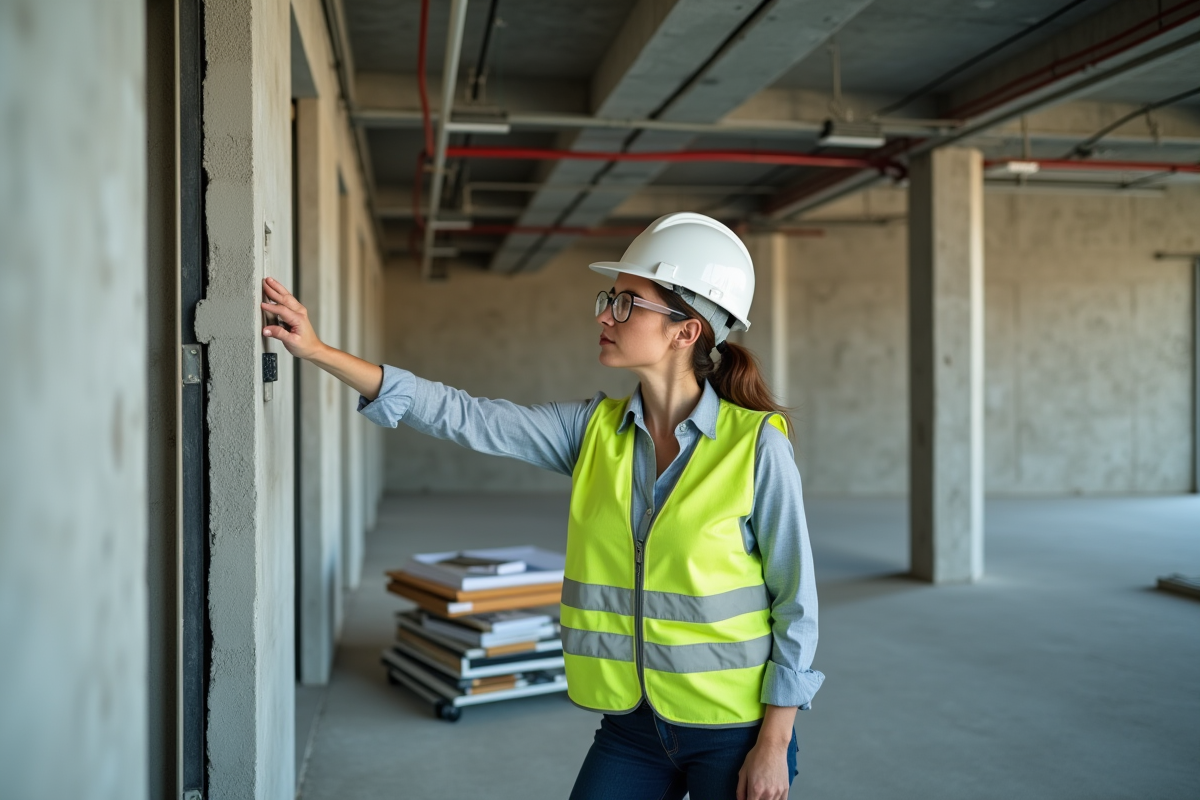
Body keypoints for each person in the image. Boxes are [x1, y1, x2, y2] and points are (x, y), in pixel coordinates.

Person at [261, 212, 823, 800]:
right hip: (632, 725)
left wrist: (773, 743)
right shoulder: (592, 431)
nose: (604, 315)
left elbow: (796, 601)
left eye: (626, 304)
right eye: (608, 299)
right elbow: (464, 415)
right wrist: (318, 351)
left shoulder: (757, 446)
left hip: (734, 730)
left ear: (686, 332)